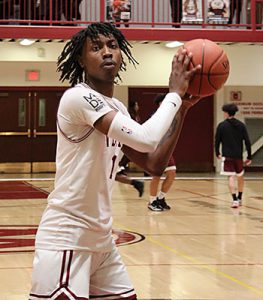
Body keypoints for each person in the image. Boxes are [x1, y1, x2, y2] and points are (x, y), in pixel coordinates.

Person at [29, 22, 201, 299]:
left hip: (101, 241)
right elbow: (146, 137)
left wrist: (181, 109)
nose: (107, 52)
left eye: (112, 46)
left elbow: (154, 163)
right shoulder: (78, 97)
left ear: (122, 55)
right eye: (96, 48)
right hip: (67, 238)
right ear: (81, 60)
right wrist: (173, 95)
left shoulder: (117, 108)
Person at [215, 103, 252, 209]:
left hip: (227, 156)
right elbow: (247, 141)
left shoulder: (222, 125)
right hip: (238, 156)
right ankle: (240, 198)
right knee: (240, 176)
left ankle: (235, 200)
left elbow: (217, 141)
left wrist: (217, 152)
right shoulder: (241, 125)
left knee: (231, 176)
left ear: (226, 113)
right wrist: (249, 156)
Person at [148, 93, 176, 211]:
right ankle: (152, 201)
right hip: (157, 148)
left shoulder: (170, 116)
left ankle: (161, 198)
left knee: (172, 172)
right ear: (161, 104)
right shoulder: (156, 116)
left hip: (166, 149)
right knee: (156, 175)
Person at [115, 100, 144, 198]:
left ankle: (133, 180)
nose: (138, 106)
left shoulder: (134, 115)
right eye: (136, 104)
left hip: (131, 140)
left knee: (110, 174)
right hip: (126, 140)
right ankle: (134, 182)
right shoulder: (130, 115)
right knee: (111, 174)